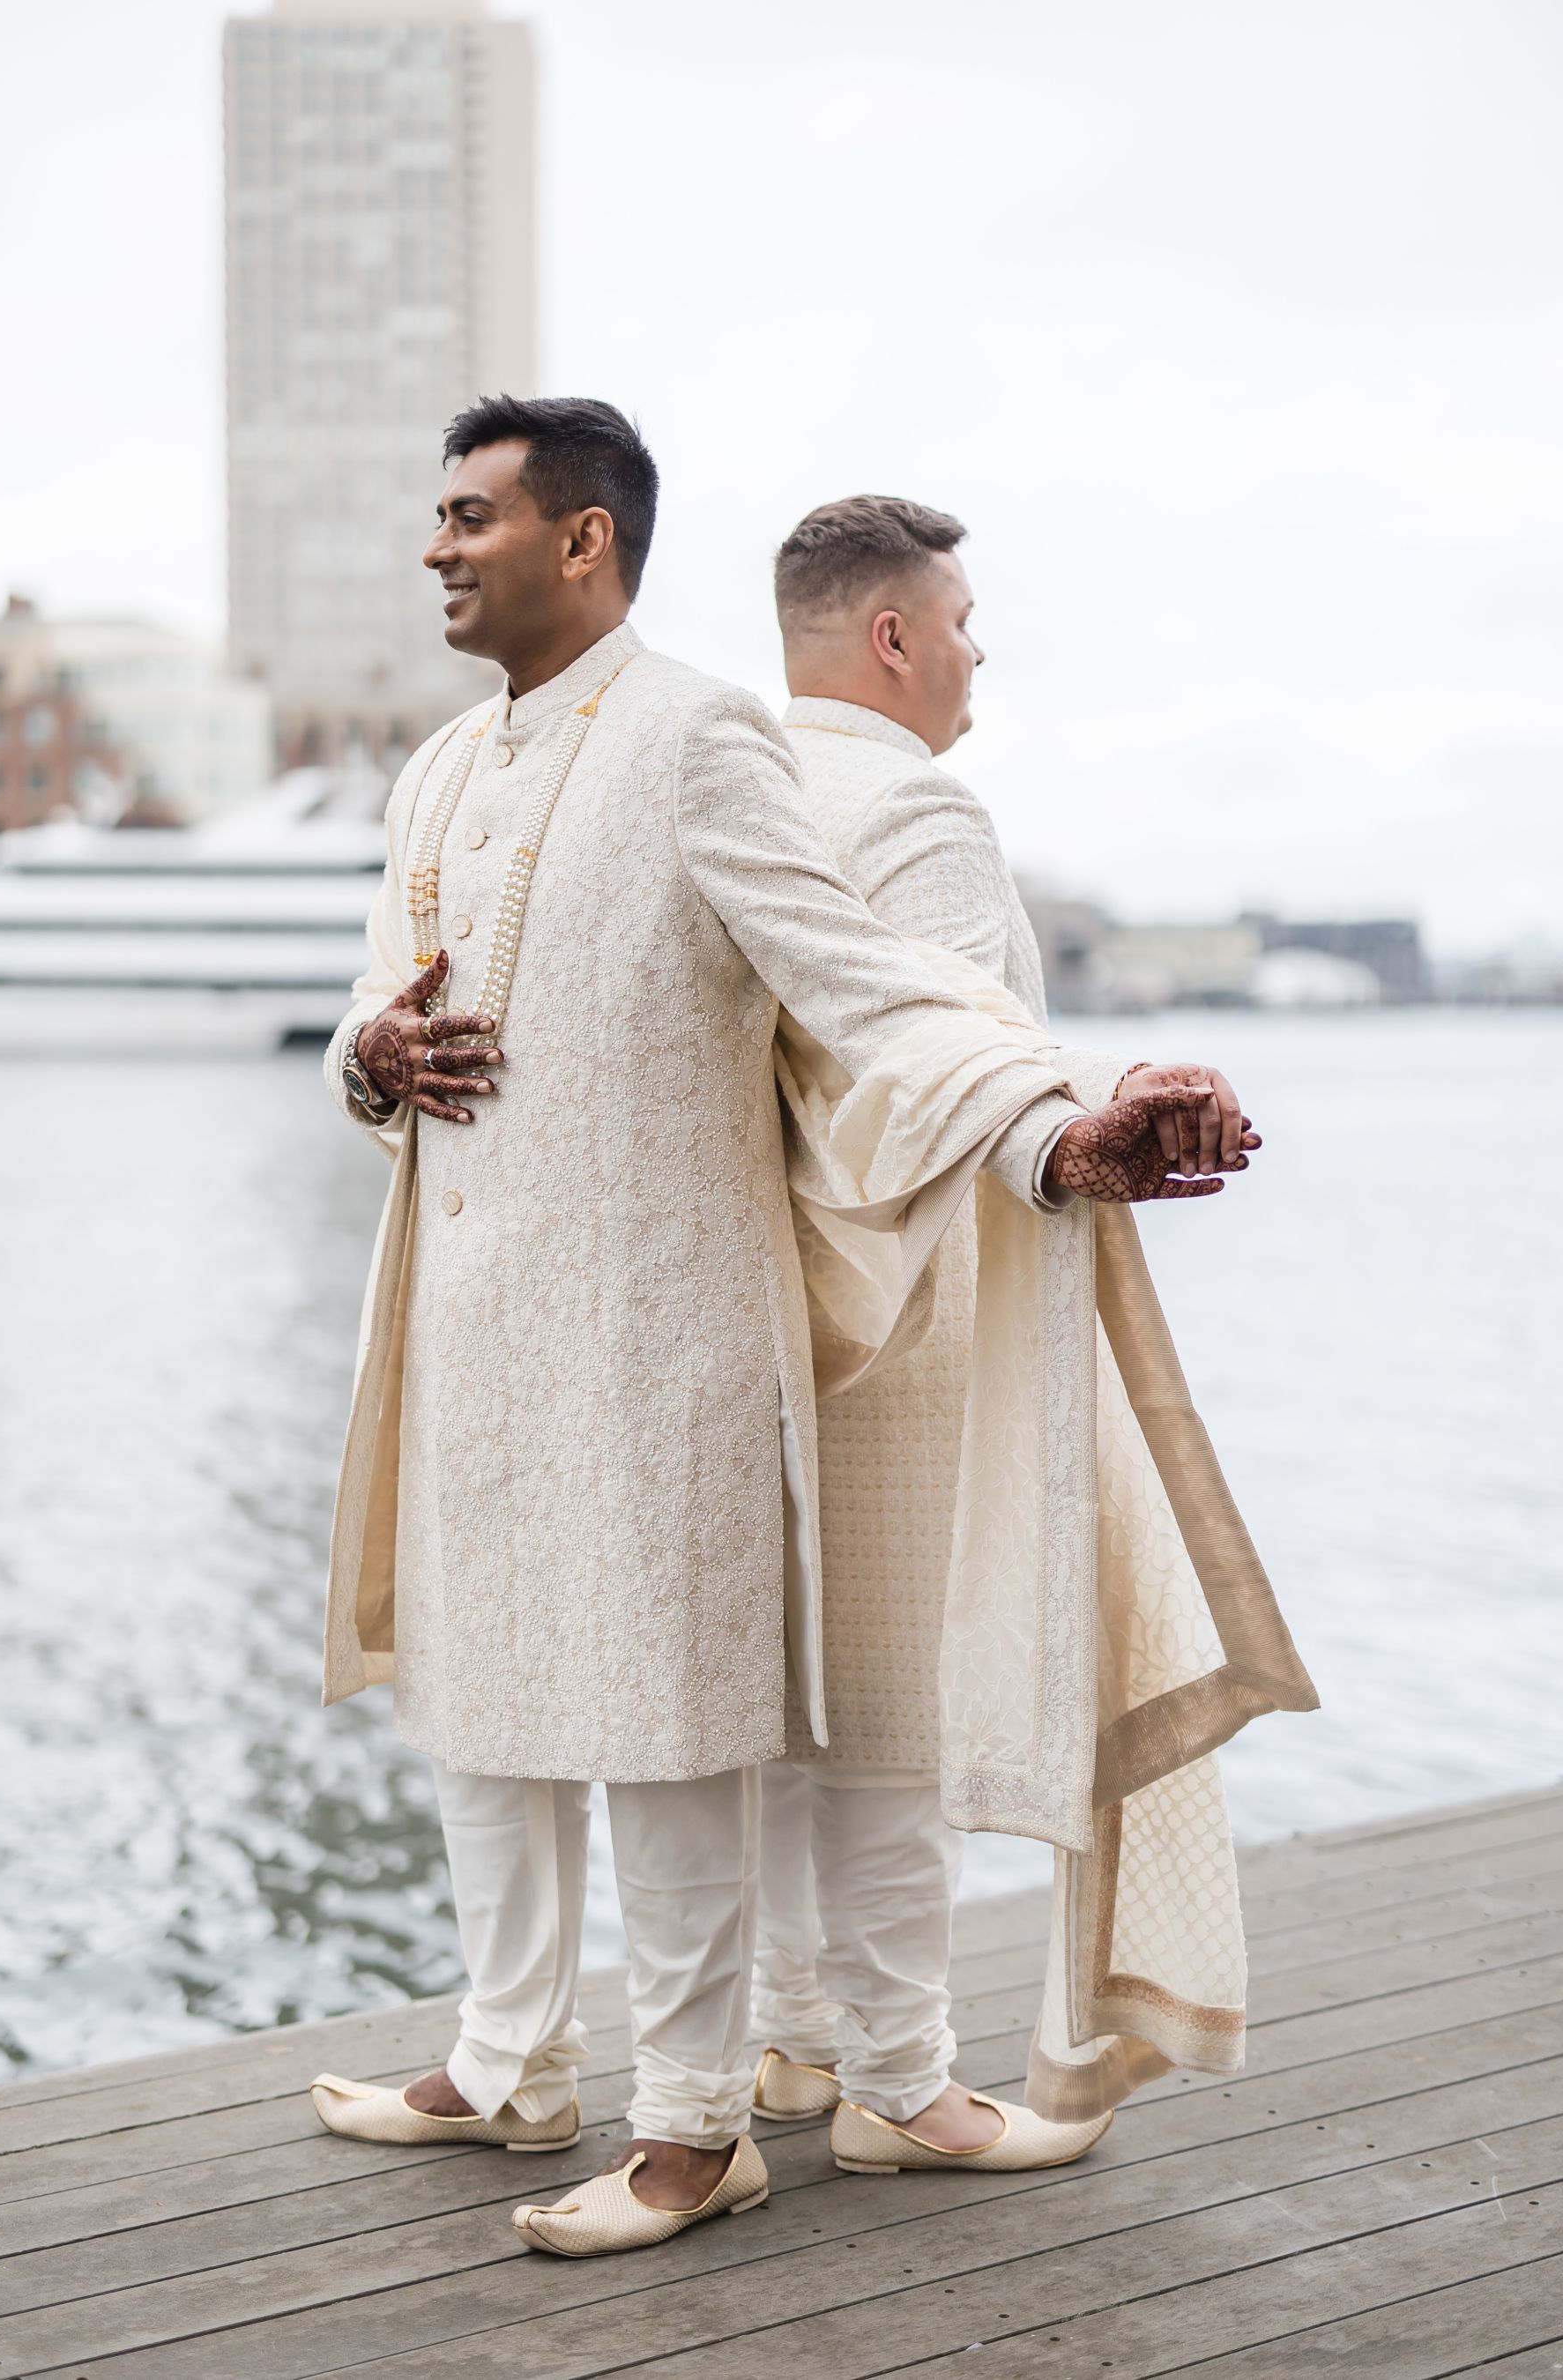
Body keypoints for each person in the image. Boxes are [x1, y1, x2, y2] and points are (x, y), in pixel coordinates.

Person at [306, 403, 1252, 2261]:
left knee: (665, 1730)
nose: (435, 548)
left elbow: (866, 985)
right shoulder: (430, 775)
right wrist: (370, 1057)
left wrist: (1057, 1123)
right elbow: (373, 1001)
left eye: (466, 516)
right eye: (433, 515)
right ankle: (514, 2059)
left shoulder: (694, 734)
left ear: (582, 541)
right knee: (484, 1706)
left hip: (663, 1340)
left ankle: (692, 2132)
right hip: (472, 1331)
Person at [750, 494, 1300, 2171]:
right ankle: (905, 2089)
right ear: (893, 637)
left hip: (767, 1307)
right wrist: (1079, 1114)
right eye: (966, 620)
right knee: (899, 1722)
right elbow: (940, 1048)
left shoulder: (743, 792)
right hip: (910, 1313)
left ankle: (790, 2042)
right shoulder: (920, 812)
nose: (981, 651)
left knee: (787, 1713)